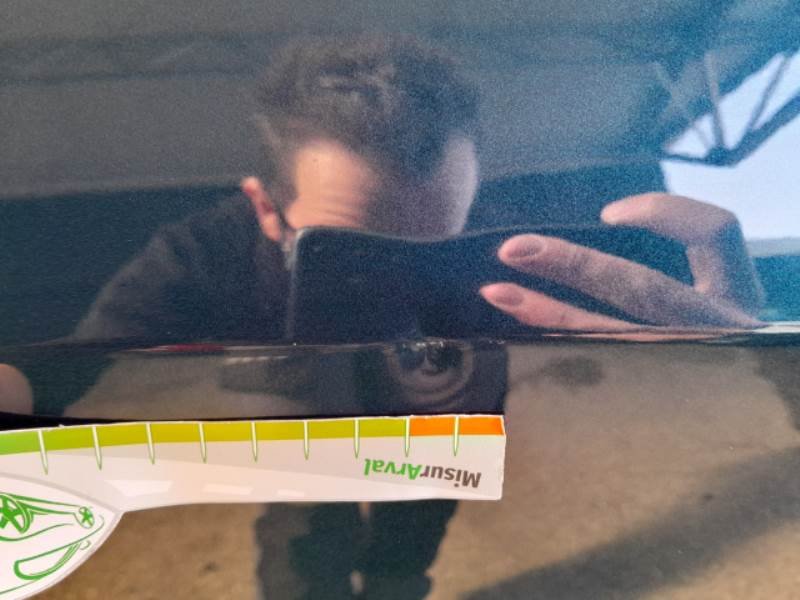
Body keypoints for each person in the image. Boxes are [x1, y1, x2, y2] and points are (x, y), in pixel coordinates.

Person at [1, 36, 762, 599]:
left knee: (420, 518)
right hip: (299, 397)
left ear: (470, 196)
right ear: (263, 208)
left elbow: (626, 362)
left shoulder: (508, 242)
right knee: (304, 531)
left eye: (440, 242)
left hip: (448, 398)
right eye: (351, 254)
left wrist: (736, 356)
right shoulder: (202, 251)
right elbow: (62, 369)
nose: (399, 284)